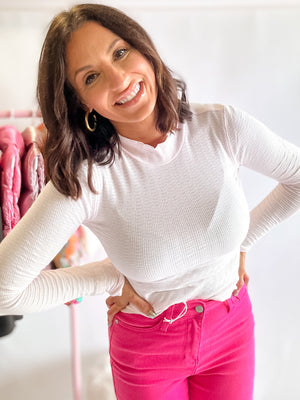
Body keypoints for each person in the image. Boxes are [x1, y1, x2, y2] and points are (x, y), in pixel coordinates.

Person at [0, 3, 300, 399]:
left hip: (232, 327)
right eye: (92, 76)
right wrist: (108, 275)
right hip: (147, 350)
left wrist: (243, 241)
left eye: (120, 52)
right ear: (82, 103)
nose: (120, 78)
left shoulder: (222, 127)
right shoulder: (88, 178)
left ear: (143, 48)